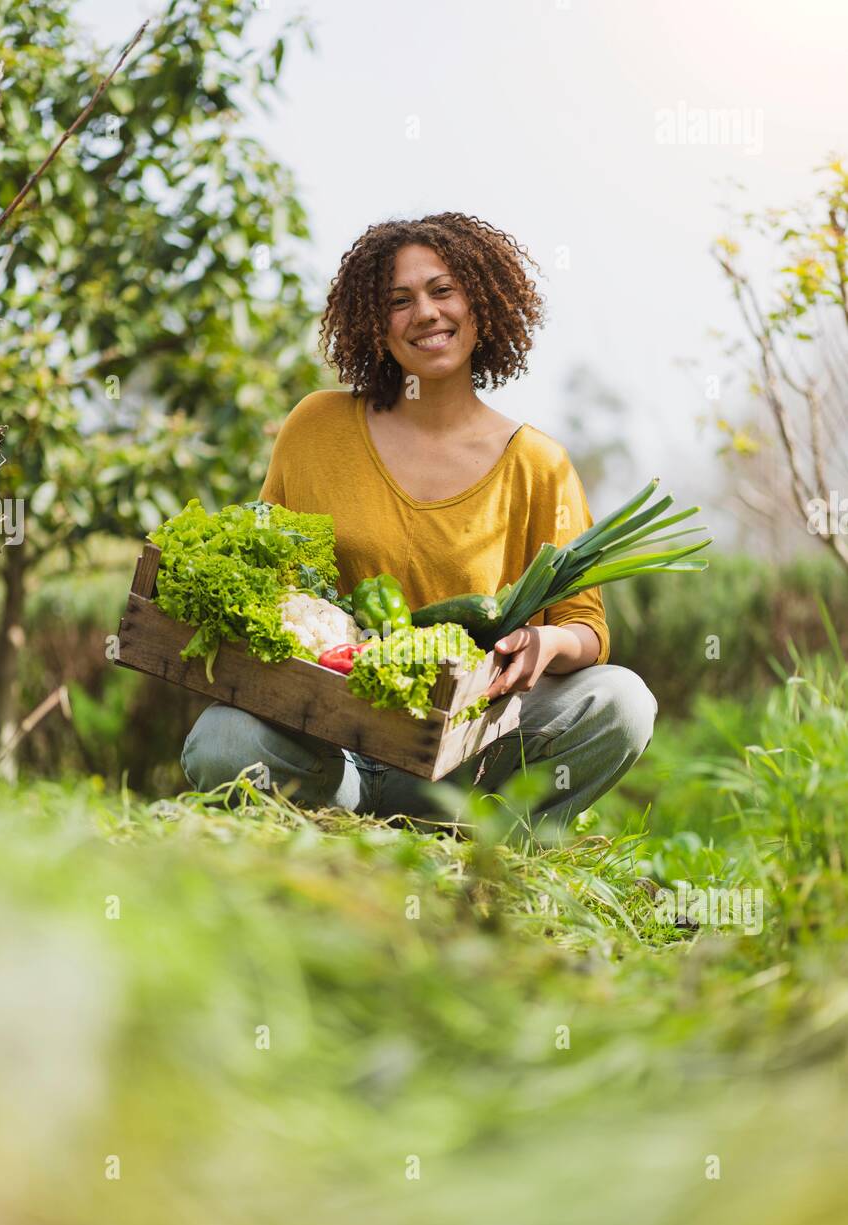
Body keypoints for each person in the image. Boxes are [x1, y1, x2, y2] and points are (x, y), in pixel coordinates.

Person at [180, 212, 656, 843]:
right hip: (331, 749)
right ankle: (330, 831)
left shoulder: (538, 465)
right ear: (375, 325)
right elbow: (273, 581)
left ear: (482, 303)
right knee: (221, 740)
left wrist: (550, 646)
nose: (425, 313)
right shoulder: (315, 429)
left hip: (465, 754)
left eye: (442, 291)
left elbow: (586, 629)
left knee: (622, 703)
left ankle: (484, 845)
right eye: (398, 301)